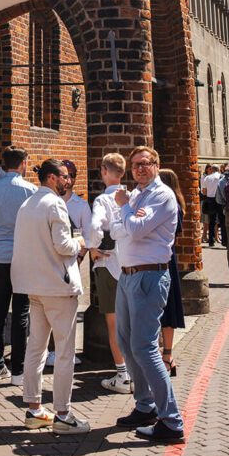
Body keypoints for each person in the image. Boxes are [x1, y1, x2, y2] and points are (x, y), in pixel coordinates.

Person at [110, 146, 185, 443]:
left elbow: (136, 229)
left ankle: (172, 421)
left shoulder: (161, 195)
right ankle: (145, 406)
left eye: (145, 163)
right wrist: (128, 214)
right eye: (135, 165)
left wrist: (124, 209)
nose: (139, 168)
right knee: (125, 342)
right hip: (127, 275)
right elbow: (117, 230)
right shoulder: (137, 195)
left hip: (149, 276)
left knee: (144, 347)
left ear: (156, 164)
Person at [11, 159, 89, 435]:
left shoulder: (28, 203)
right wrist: (80, 241)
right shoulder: (55, 203)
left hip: (34, 286)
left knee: (36, 347)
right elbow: (63, 245)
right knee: (65, 352)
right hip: (57, 286)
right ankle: (63, 415)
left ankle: (34, 410)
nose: (68, 181)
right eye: (65, 176)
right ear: (53, 178)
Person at [0, 146, 34, 384]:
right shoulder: (31, 190)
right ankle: (19, 371)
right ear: (23, 164)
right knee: (21, 314)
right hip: (23, 257)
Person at [89, 152, 131, 394]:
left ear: (104, 171)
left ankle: (122, 375)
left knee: (113, 323)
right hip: (132, 265)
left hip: (109, 265)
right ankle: (136, 373)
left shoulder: (102, 200)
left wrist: (93, 247)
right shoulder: (132, 197)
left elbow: (95, 226)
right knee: (132, 321)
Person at [44, 159, 91, 368]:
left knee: (69, 308)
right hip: (49, 263)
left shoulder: (81, 206)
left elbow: (88, 236)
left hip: (71, 264)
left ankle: (64, 351)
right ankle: (50, 349)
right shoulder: (49, 201)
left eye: (72, 175)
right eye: (66, 175)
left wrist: (78, 259)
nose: (68, 179)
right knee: (47, 308)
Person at [158, 169, 186, 375]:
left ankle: (167, 356)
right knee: (168, 308)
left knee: (166, 309)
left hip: (163, 259)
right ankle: (167, 355)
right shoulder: (177, 205)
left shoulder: (169, 206)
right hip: (170, 258)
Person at [201, 162, 225, 248]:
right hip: (220, 199)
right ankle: (224, 241)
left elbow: (204, 192)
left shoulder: (207, 177)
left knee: (212, 221)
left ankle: (211, 241)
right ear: (218, 170)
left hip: (210, 199)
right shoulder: (222, 177)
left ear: (212, 169)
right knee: (222, 220)